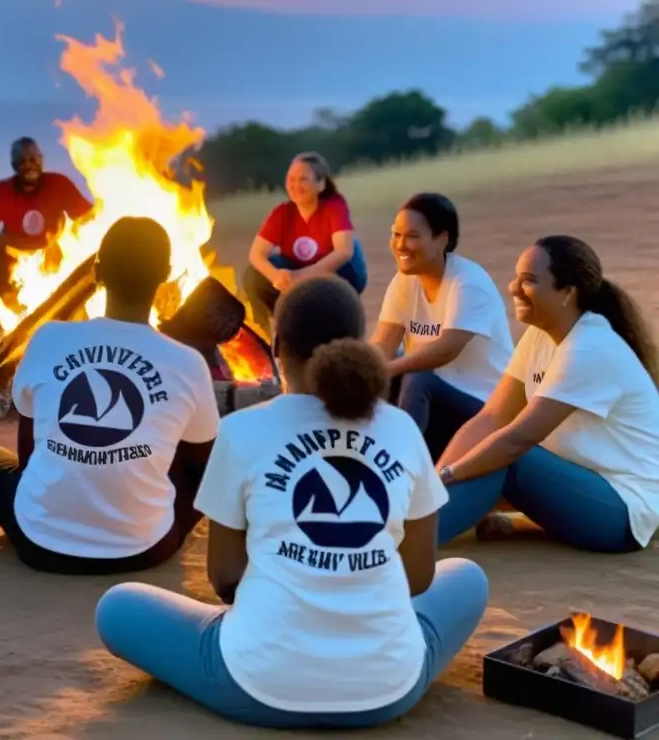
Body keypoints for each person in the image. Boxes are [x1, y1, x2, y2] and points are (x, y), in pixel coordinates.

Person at [95, 276, 488, 729]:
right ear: (358, 344)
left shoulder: (242, 431)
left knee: (118, 606)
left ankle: (272, 638)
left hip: (256, 683)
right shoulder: (399, 428)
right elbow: (418, 578)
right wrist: (350, 578)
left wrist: (289, 588)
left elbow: (224, 577)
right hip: (386, 690)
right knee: (468, 578)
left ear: (277, 345)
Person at [0, 216, 219, 574]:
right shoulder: (187, 362)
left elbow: (28, 451)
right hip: (145, 551)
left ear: (96, 273)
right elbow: (204, 464)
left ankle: (60, 512)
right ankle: (137, 521)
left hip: (39, 544)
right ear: (167, 275)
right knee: (197, 464)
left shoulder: (49, 338)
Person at [436, 235, 659, 554]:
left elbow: (515, 441)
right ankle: (409, 526)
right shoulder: (539, 336)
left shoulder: (589, 347)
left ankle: (400, 545)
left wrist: (447, 476)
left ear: (567, 293)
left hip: (623, 512)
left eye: (528, 280)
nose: (513, 287)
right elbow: (491, 417)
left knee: (506, 456)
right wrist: (436, 481)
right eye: (516, 277)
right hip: (577, 485)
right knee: (488, 455)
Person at [369, 193, 513, 460]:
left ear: (442, 240)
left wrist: (385, 369)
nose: (401, 244)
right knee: (386, 370)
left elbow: (446, 349)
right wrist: (360, 370)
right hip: (436, 400)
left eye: (412, 236)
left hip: (486, 408)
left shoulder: (468, 283)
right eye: (396, 234)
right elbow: (383, 343)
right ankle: (365, 450)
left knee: (413, 374)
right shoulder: (405, 281)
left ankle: (398, 464)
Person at [242, 151, 369, 333]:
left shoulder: (334, 207)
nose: (295, 185)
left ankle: (337, 324)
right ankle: (268, 336)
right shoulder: (283, 213)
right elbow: (256, 254)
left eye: (303, 179)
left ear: (320, 184)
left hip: (342, 274)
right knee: (253, 276)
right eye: (291, 179)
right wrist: (278, 278)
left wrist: (300, 278)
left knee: (335, 272)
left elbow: (344, 252)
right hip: (298, 273)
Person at [0, 137, 93, 311]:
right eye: (21, 161)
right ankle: (10, 299)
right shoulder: (1, 190)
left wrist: (58, 241)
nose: (28, 165)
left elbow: (89, 218)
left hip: (53, 253)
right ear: (14, 165)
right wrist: (19, 245)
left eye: (33, 159)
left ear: (41, 160)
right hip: (16, 255)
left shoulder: (59, 183)